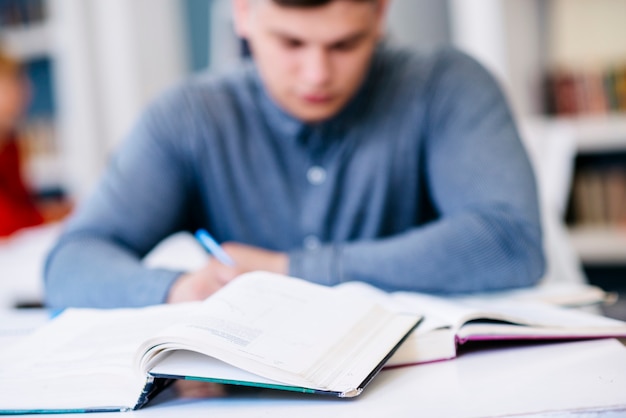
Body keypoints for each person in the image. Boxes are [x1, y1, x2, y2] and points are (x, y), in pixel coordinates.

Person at [44, 0, 545, 309]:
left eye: (345, 44)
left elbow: (509, 242)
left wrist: (288, 270)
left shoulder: (446, 84)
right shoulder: (188, 116)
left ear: (380, 13)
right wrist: (178, 290)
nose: (316, 75)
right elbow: (72, 262)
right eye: (290, 42)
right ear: (243, 13)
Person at [0, 48, 43, 238]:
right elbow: (7, 222)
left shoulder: (11, 143)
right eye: (14, 82)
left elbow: (25, 206)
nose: (26, 91)